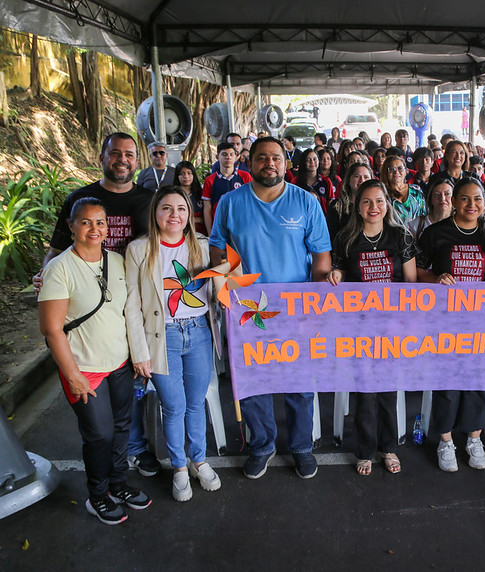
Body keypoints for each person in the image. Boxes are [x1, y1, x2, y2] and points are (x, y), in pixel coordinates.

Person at [34, 132, 160, 479]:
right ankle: (109, 469)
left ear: (138, 161)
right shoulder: (80, 199)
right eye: (115, 153)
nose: (122, 160)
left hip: (133, 297)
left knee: (131, 383)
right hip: (88, 301)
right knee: (100, 403)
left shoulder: (149, 200)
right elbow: (57, 248)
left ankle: (134, 447)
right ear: (102, 157)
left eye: (130, 155)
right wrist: (46, 276)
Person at [209, 136, 331, 480]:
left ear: (285, 163)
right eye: (262, 158)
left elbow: (321, 256)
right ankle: (262, 445)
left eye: (276, 158)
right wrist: (226, 284)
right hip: (247, 310)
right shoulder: (230, 203)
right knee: (252, 381)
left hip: (296, 310)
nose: (270, 164)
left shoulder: (306, 202)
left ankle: (302, 447)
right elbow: (218, 249)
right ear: (251, 163)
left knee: (299, 382)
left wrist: (317, 304)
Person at [39, 198, 151, 524]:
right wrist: (73, 375)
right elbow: (52, 329)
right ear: (72, 226)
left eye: (100, 222)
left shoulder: (116, 261)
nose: (94, 228)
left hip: (120, 364)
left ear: (108, 227)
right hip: (84, 370)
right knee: (99, 434)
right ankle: (98, 494)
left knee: (121, 428)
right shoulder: (60, 268)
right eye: (85, 222)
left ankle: (118, 484)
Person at [125, 185, 221, 502]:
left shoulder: (204, 247)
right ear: (155, 213)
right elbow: (132, 305)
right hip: (161, 336)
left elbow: (227, 282)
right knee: (174, 405)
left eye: (180, 208)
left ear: (188, 214)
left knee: (195, 403)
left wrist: (228, 277)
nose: (174, 215)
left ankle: (199, 460)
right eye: (166, 208)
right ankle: (179, 468)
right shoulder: (139, 250)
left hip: (198, 333)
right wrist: (139, 353)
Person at [416, 177, 485, 472]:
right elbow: (417, 272)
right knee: (448, 380)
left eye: (478, 199)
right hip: (446, 322)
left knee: (480, 381)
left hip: (483, 322)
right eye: (465, 199)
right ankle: (445, 441)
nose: (472, 205)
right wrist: (435, 279)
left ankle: (474, 438)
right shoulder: (436, 233)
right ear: (454, 201)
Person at [327, 180, 418, 475]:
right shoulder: (346, 238)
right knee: (365, 390)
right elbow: (339, 270)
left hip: (392, 326)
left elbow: (411, 284)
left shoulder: (400, 236)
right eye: (366, 202)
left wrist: (405, 323)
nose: (373, 208)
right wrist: (336, 275)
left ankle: (388, 447)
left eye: (379, 201)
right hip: (359, 327)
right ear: (358, 206)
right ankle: (365, 450)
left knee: (388, 389)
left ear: (387, 204)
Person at [201, 141, 253, 234]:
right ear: (217, 157)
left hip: (242, 228)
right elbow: (207, 208)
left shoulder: (246, 177)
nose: (228, 157)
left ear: (236, 157)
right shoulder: (210, 180)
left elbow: (252, 202)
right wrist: (210, 233)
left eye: (231, 154)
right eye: (224, 154)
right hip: (220, 229)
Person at [327, 162, 373, 242]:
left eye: (366, 177)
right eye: (357, 176)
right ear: (348, 180)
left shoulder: (377, 207)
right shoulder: (337, 206)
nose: (362, 180)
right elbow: (330, 236)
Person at [381, 155, 426, 228]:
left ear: (406, 172)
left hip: (417, 235)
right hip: (393, 236)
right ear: (386, 172)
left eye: (400, 168)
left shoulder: (416, 189)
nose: (396, 172)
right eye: (392, 169)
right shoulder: (382, 194)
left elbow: (424, 214)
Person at [409, 176, 454, 240]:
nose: (442, 198)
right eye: (437, 194)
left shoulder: (462, 224)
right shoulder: (416, 225)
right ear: (431, 199)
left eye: (447, 194)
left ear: (454, 199)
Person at [293, 149, 334, 214]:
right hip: (301, 219)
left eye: (315, 159)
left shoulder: (326, 181)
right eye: (308, 160)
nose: (312, 162)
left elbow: (330, 203)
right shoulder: (295, 181)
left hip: (322, 219)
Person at [173, 161, 205, 235]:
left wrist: (191, 219)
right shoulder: (173, 194)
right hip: (179, 234)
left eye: (189, 173)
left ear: (193, 174)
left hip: (200, 234)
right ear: (177, 176)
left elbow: (208, 217)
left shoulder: (201, 193)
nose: (186, 176)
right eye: (182, 174)